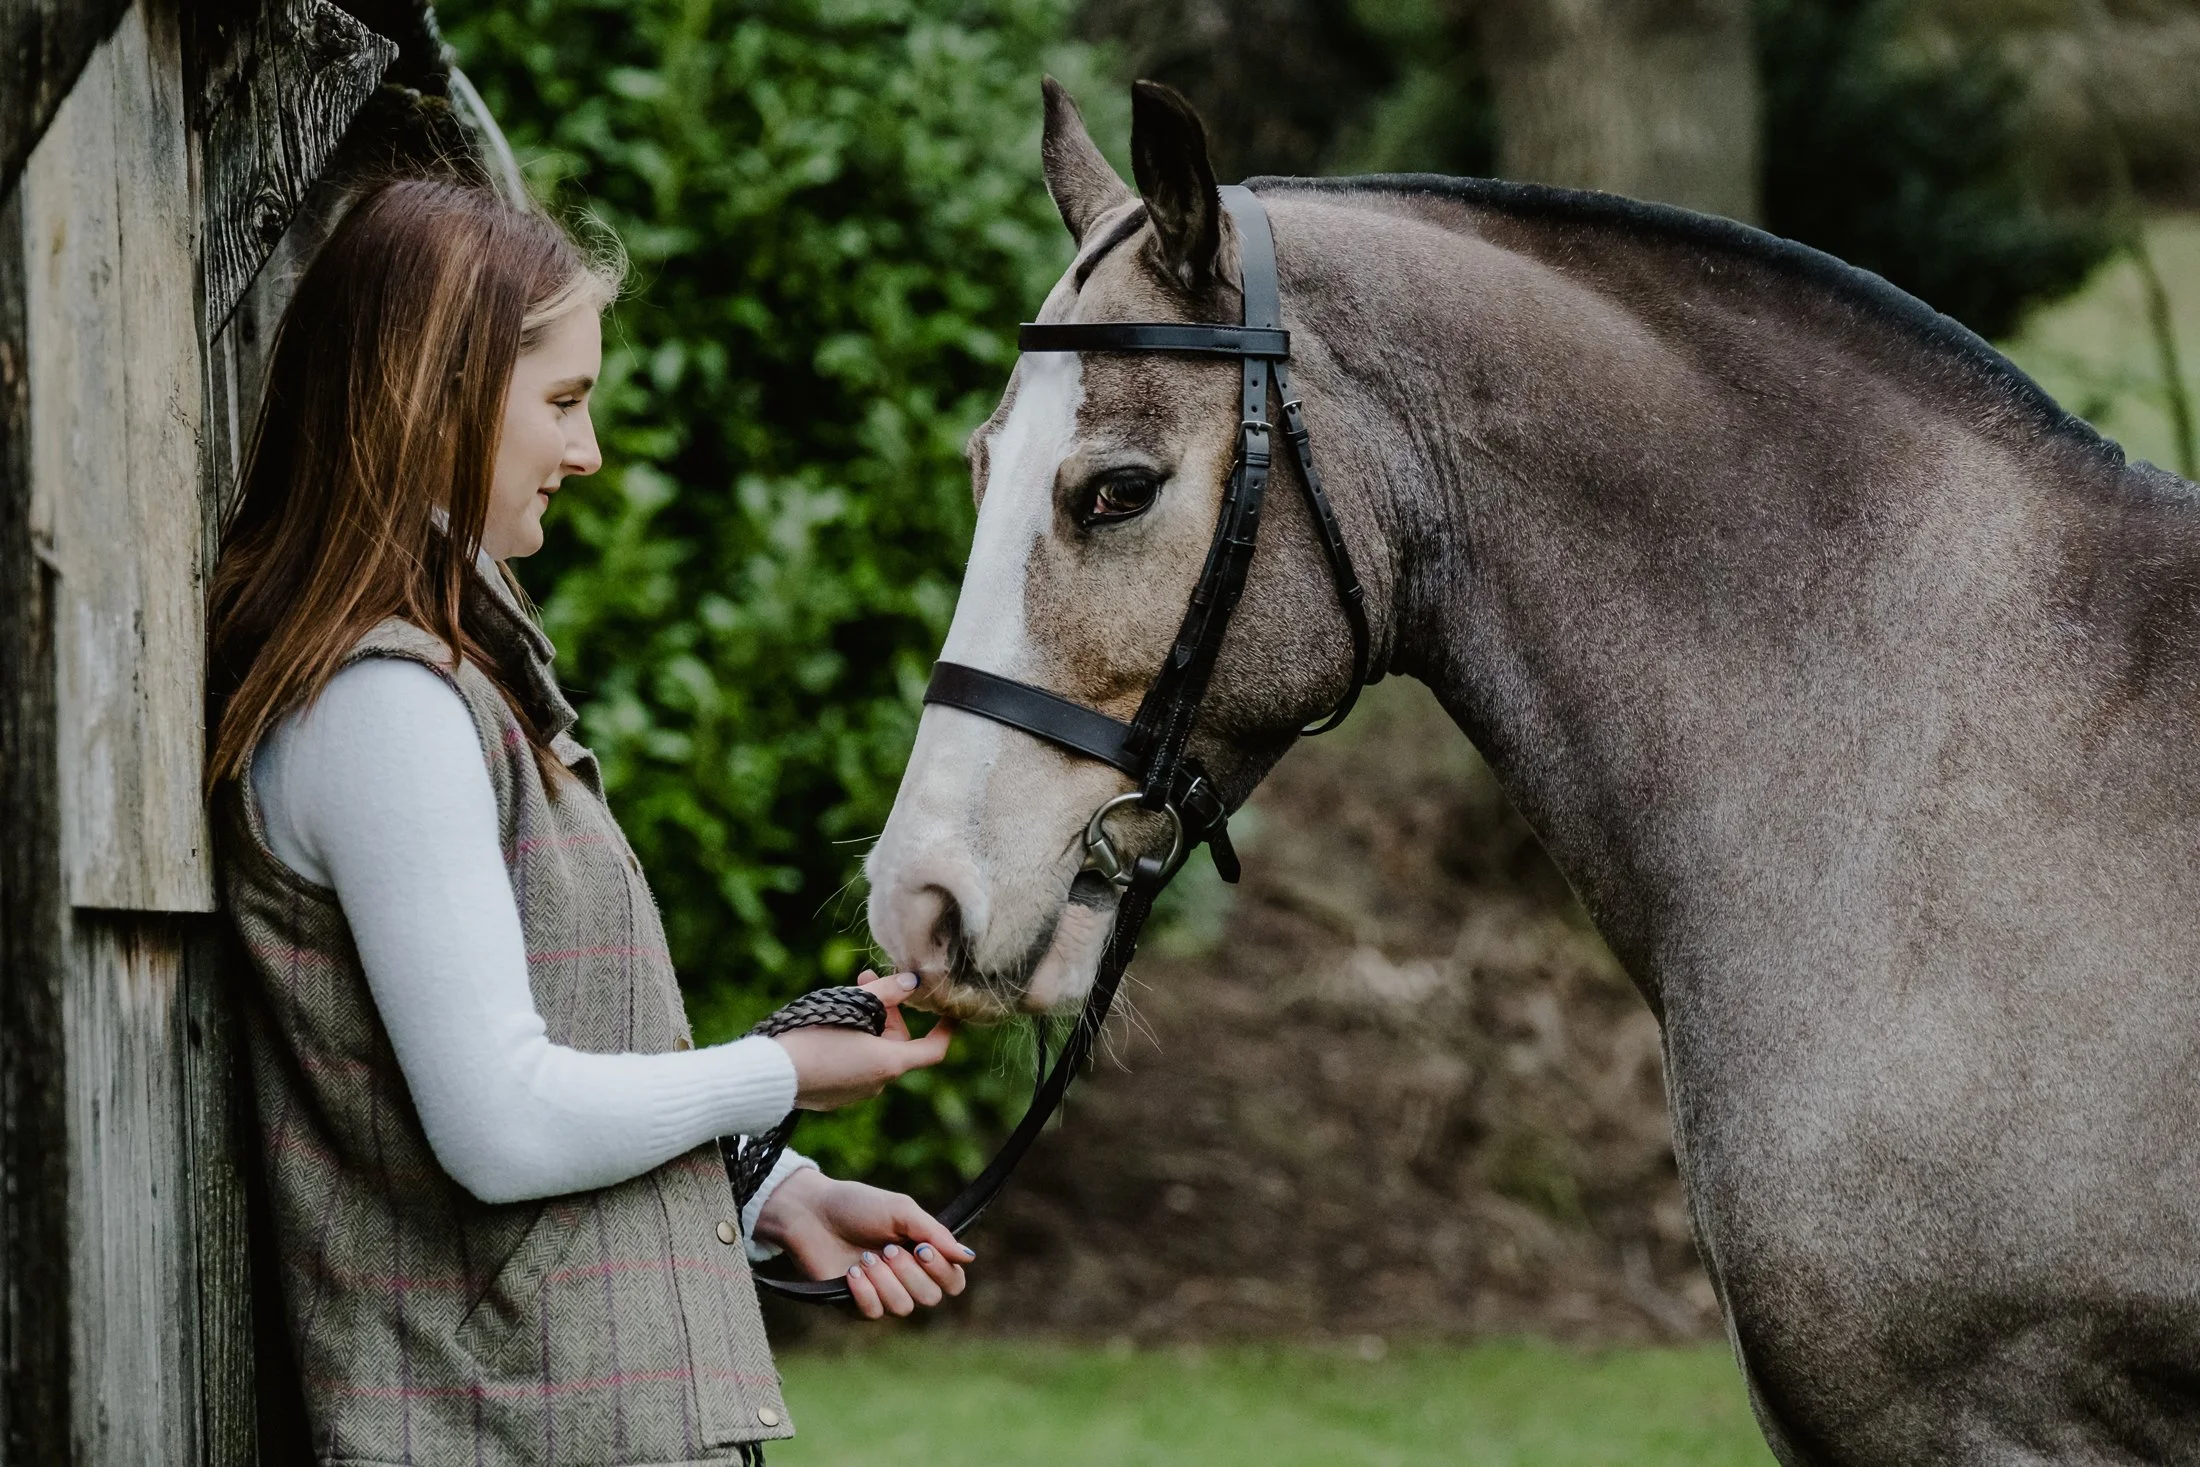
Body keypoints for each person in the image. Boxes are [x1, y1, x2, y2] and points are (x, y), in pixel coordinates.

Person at [205, 176, 968, 1467]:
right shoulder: (381, 706)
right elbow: (500, 1126)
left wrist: (775, 1190)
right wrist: (785, 1074)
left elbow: (535, 1064)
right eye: (561, 401)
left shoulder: (446, 686)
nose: (589, 450)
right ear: (430, 396)